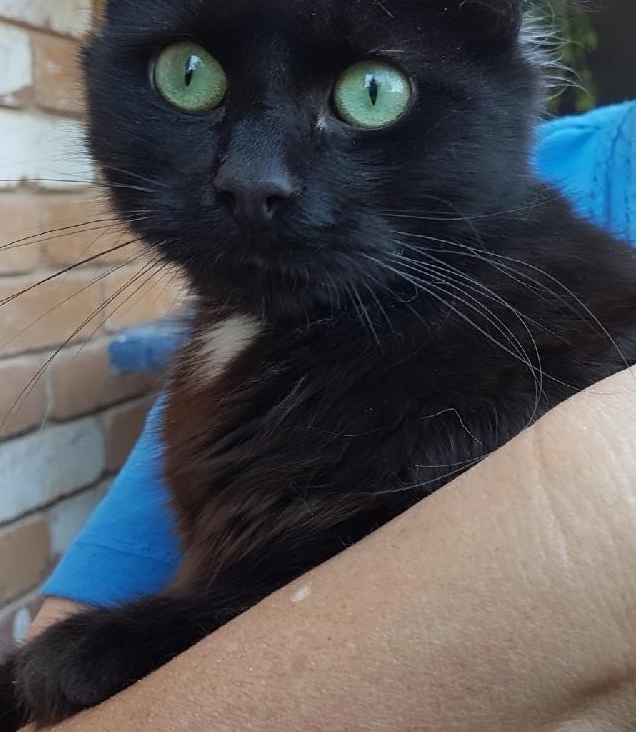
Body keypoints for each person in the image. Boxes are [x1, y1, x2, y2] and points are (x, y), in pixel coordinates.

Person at [23, 99, 636, 731]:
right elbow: (57, 679)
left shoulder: (518, 237)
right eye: (189, 82)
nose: (248, 178)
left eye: (370, 94)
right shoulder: (554, 158)